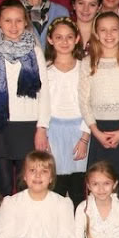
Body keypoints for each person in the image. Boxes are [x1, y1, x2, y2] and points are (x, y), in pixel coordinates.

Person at [0, 0, 47, 195]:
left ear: (25, 22)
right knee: (3, 186)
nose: (13, 26)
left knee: (27, 185)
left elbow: (44, 93)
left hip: (28, 126)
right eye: (8, 20)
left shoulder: (35, 52)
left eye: (18, 20)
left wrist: (42, 127)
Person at [77, 10, 119, 192]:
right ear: (96, 33)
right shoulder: (88, 62)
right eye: (103, 30)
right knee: (100, 185)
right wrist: (95, 131)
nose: (109, 34)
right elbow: (84, 101)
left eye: (114, 29)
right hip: (99, 129)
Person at [36, 18, 89, 202]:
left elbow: (89, 104)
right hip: (53, 131)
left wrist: (85, 138)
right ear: (50, 39)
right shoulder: (45, 69)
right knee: (56, 187)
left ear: (77, 39)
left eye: (69, 37)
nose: (64, 42)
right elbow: (40, 104)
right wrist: (43, 132)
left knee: (77, 188)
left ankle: (78, 220)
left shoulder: (85, 67)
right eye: (58, 37)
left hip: (79, 131)